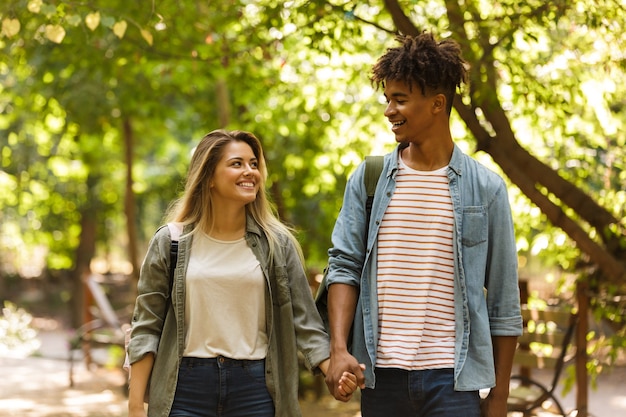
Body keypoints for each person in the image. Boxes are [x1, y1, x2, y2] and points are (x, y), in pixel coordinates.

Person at [323, 32, 523, 417]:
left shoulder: (487, 189)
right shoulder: (369, 178)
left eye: (400, 99)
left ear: (437, 104)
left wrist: (498, 398)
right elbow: (343, 266)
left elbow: (503, 302)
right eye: (387, 99)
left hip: (453, 381)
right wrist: (338, 350)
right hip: (382, 376)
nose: (389, 111)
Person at [126, 129, 357, 417]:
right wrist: (136, 406)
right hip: (184, 388)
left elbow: (305, 322)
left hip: (257, 389)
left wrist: (334, 371)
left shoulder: (277, 244)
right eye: (236, 163)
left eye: (253, 164)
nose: (250, 171)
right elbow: (146, 326)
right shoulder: (170, 242)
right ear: (208, 176)